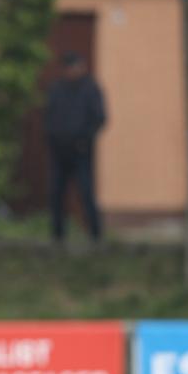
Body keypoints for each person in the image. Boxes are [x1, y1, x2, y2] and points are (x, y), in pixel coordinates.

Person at [45, 52, 106, 243]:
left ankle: (95, 234)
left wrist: (84, 139)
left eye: (77, 66)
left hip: (82, 151)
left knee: (86, 191)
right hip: (59, 151)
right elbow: (49, 117)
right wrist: (53, 139)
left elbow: (100, 118)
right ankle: (57, 235)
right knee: (56, 193)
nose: (74, 71)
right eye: (71, 67)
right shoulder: (57, 89)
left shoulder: (91, 89)